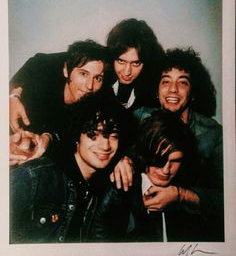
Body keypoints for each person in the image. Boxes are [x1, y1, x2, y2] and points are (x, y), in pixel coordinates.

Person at [9, 40, 133, 190]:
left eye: (98, 78)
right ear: (66, 71)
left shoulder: (102, 96)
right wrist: (13, 96)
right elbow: (37, 62)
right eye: (83, 74)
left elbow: (126, 124)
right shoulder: (37, 92)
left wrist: (122, 158)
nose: (89, 86)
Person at [10, 91, 133, 243]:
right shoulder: (35, 177)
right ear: (77, 137)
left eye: (113, 136)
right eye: (93, 135)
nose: (105, 145)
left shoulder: (101, 186)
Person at [134, 47, 224, 241]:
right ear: (156, 90)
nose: (173, 89)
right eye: (165, 81)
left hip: (192, 231)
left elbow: (226, 200)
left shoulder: (213, 133)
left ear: (193, 92)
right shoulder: (140, 118)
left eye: (182, 82)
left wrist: (179, 194)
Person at [127, 110, 202, 242]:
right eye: (160, 159)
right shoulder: (122, 191)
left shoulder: (185, 190)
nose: (166, 170)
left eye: (175, 161)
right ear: (145, 152)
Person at [106, 18, 165, 111]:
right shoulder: (98, 82)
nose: (127, 72)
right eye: (121, 61)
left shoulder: (153, 91)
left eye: (136, 63)